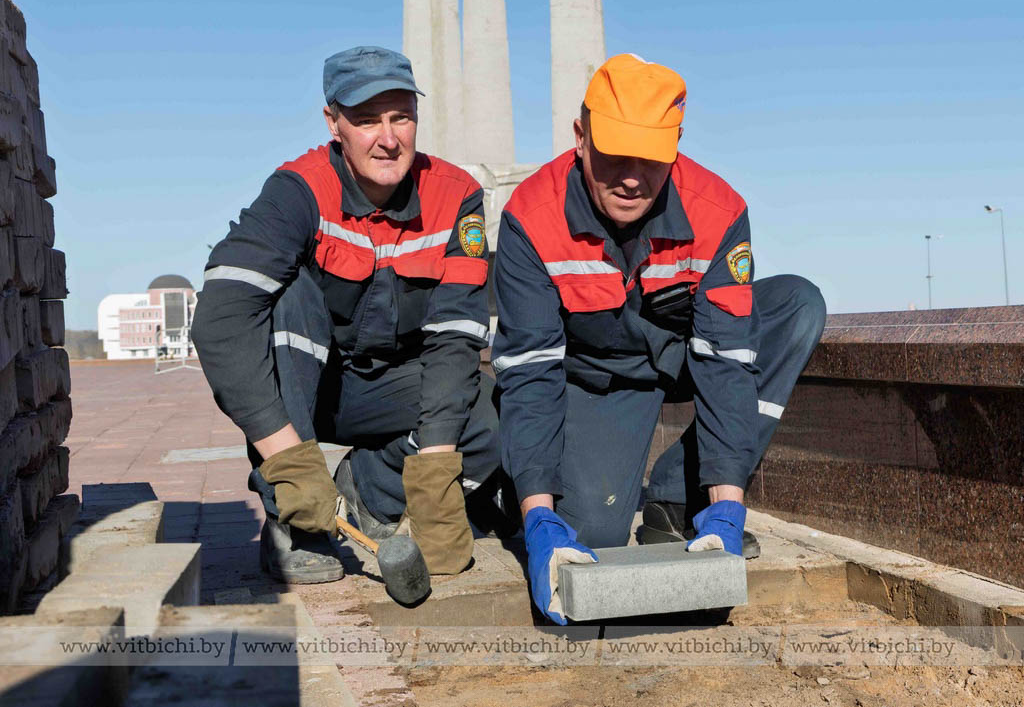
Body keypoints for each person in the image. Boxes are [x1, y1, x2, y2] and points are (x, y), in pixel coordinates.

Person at [492, 54, 826, 623]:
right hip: (592, 377)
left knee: (795, 306)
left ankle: (680, 496)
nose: (630, 177)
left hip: (676, 357)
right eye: (615, 154)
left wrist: (728, 503)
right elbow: (531, 371)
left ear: (675, 147)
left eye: (650, 161)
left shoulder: (717, 211)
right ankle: (511, 486)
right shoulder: (531, 217)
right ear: (580, 137)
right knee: (593, 534)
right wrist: (538, 512)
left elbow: (726, 361)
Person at [192, 45, 501, 584]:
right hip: (307, 389)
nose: (388, 138)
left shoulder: (458, 198)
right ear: (333, 122)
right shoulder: (298, 191)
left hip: (393, 387)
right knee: (287, 300)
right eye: (365, 120)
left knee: (491, 422)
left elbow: (455, 336)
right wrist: (288, 463)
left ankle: (371, 493)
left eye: (401, 116)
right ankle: (295, 520)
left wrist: (434, 475)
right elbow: (221, 319)